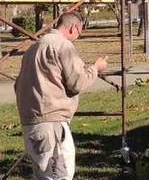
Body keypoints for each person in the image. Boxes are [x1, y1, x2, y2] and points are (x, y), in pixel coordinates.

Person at [14, 12, 108, 180]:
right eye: (79, 33)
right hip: (51, 124)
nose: (77, 37)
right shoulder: (63, 46)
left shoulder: (33, 48)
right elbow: (77, 82)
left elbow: (17, 85)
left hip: (31, 122)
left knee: (45, 175)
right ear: (73, 28)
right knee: (60, 174)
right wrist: (96, 68)